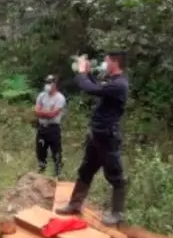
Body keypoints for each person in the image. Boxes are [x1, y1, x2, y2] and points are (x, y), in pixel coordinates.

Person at [55, 51, 130, 225]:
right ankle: (74, 205)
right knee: (86, 170)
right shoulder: (112, 82)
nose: (104, 63)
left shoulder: (120, 84)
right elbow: (97, 87)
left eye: (107, 60)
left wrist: (82, 73)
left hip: (108, 136)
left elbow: (91, 89)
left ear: (115, 62)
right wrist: (87, 73)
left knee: (115, 175)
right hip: (97, 134)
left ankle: (118, 214)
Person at [35, 74, 67, 177]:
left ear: (55, 84)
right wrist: (46, 113)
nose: (47, 85)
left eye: (49, 83)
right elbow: (36, 111)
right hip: (42, 128)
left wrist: (42, 113)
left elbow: (53, 115)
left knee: (56, 152)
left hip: (53, 129)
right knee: (40, 152)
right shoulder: (42, 95)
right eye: (46, 82)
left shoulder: (60, 98)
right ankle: (41, 171)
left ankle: (58, 174)